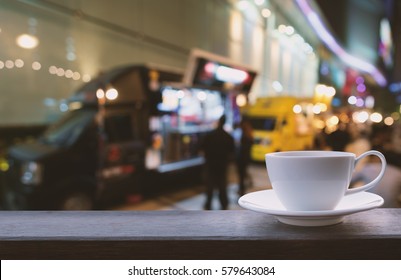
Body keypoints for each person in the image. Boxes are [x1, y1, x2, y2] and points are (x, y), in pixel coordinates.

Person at [200, 115, 235, 210]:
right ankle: (224, 205)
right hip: (222, 165)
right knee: (222, 186)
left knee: (210, 186)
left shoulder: (210, 135)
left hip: (210, 164)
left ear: (218, 122)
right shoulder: (228, 137)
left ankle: (208, 205)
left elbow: (202, 147)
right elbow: (232, 151)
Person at [236, 117, 253, 196]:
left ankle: (242, 189)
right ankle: (243, 187)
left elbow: (243, 149)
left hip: (242, 158)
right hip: (245, 158)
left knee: (241, 175)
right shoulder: (249, 135)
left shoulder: (245, 136)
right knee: (243, 174)